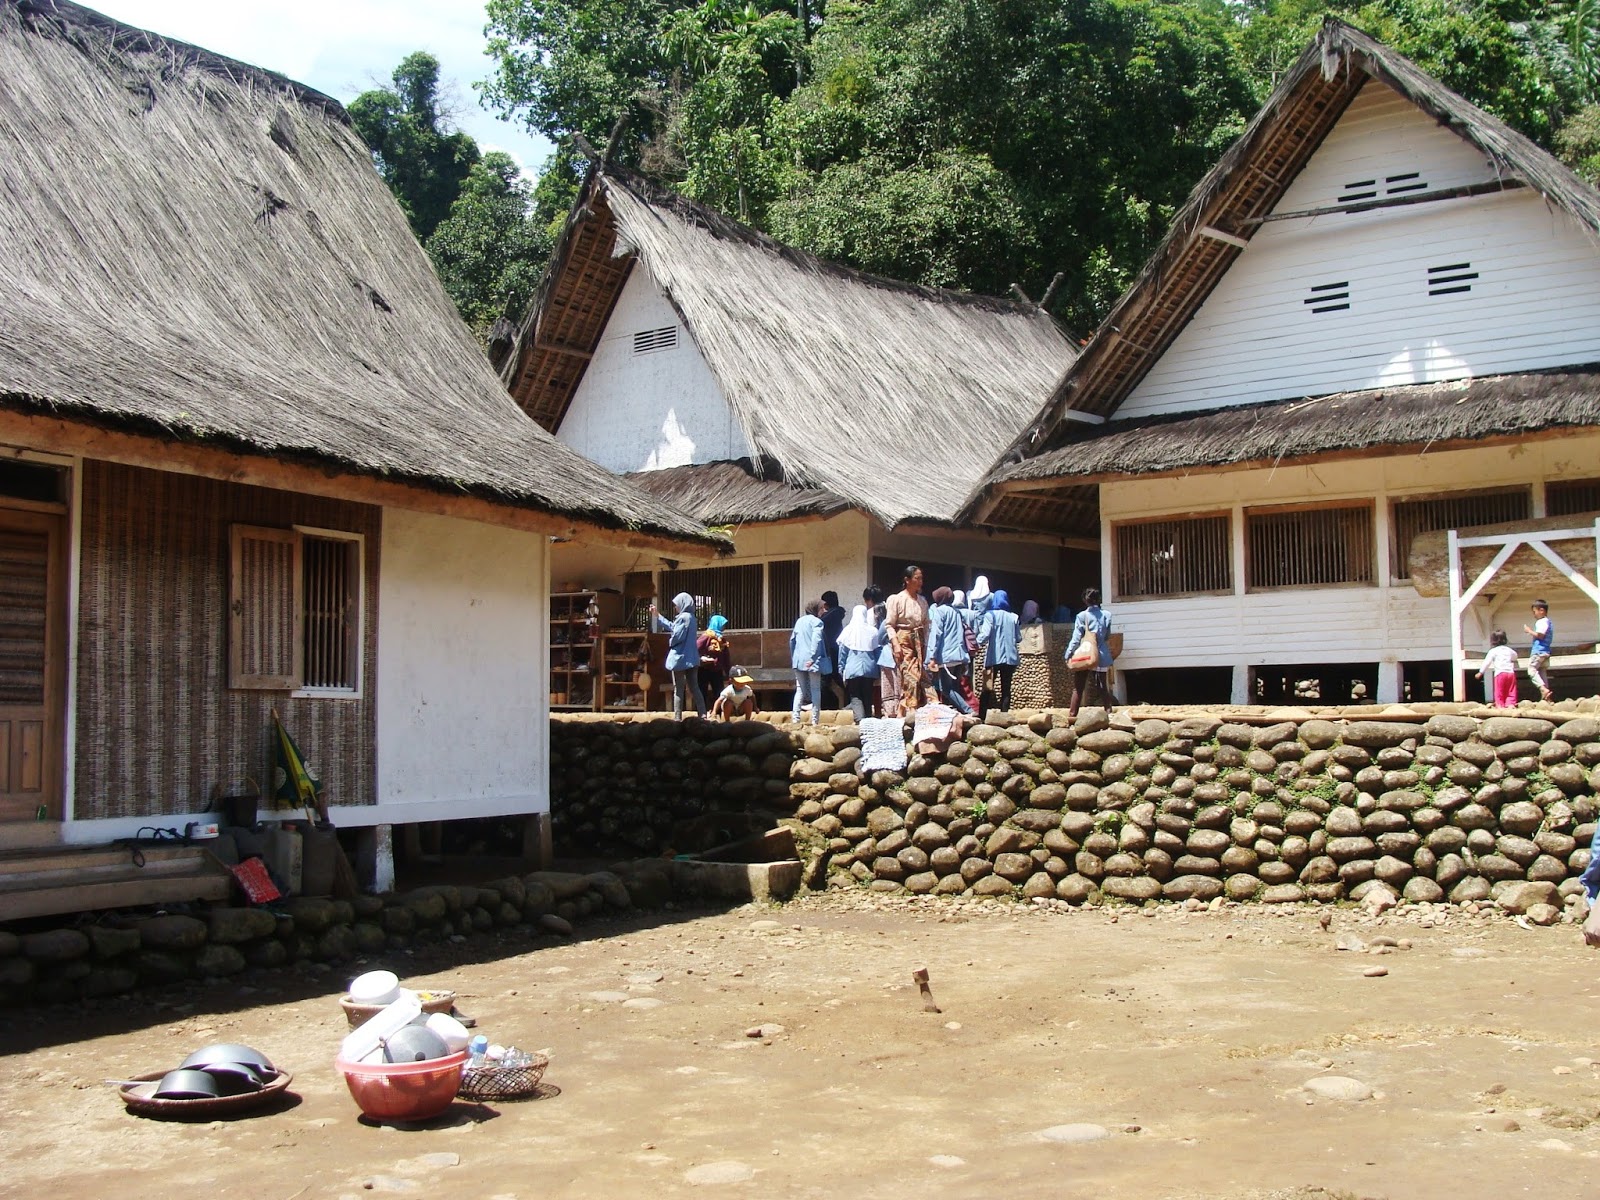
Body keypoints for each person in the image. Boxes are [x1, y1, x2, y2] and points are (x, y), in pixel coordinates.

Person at [648, 592, 706, 718]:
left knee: (678, 690)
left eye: (676, 605)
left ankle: (677, 718)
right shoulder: (691, 618)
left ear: (682, 604)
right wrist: (657, 615)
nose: (675, 607)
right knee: (695, 688)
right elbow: (673, 627)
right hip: (692, 659)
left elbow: (677, 636)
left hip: (680, 658)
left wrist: (670, 641)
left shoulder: (683, 618)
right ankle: (703, 715)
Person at [885, 564, 932, 713]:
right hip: (903, 638)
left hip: (919, 639)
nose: (920, 581)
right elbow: (889, 625)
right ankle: (911, 708)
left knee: (919, 673)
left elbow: (926, 624)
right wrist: (895, 644)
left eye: (921, 578)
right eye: (917, 578)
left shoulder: (922, 601)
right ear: (907, 580)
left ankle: (904, 710)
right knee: (910, 673)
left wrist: (925, 644)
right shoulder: (897, 599)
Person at [1063, 586, 1112, 718]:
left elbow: (1076, 638)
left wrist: (1068, 653)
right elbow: (1107, 636)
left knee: (1078, 687)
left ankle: (1072, 715)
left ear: (1085, 600)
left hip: (1085, 654)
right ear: (1099, 599)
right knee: (1102, 685)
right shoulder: (1107, 615)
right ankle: (1109, 713)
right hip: (1101, 654)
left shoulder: (1082, 616)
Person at [924, 586, 973, 715]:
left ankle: (969, 711)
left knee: (946, 689)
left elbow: (936, 634)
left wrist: (932, 656)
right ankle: (954, 715)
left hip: (947, 657)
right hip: (959, 655)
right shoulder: (956, 612)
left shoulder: (940, 612)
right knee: (954, 687)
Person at [837, 604, 883, 721]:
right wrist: (879, 669)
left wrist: (841, 668)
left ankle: (860, 720)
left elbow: (842, 652)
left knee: (855, 696)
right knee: (867, 695)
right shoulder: (873, 631)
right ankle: (868, 721)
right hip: (870, 668)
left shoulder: (848, 630)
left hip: (852, 669)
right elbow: (877, 652)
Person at [979, 589, 1022, 715]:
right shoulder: (1014, 617)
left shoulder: (990, 615)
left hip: (993, 657)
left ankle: (982, 715)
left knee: (987, 686)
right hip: (1010, 658)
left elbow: (985, 635)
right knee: (1006, 687)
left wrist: (973, 644)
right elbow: (1018, 638)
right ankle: (1004, 715)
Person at [789, 599, 831, 725]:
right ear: (815, 609)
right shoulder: (817, 622)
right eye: (822, 608)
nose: (824, 611)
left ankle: (795, 719)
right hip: (812, 660)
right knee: (815, 689)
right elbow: (816, 640)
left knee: (800, 690)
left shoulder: (799, 621)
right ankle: (815, 720)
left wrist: (794, 657)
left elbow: (792, 641)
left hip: (798, 660)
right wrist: (812, 657)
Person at [1476, 629, 1519, 709]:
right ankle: (1510, 704)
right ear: (1505, 639)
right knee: (1511, 690)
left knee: (1499, 691)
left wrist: (1481, 672)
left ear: (1493, 640)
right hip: (1510, 673)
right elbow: (1515, 656)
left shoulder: (1493, 651)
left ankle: (1500, 705)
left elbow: (1487, 662)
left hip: (1500, 673)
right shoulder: (1508, 650)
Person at [1524, 599, 1554, 703]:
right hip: (1546, 651)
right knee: (1542, 673)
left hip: (1539, 651)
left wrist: (1529, 631)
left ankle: (1543, 689)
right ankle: (1547, 699)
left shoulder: (1542, 621)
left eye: (1534, 612)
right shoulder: (1548, 622)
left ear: (1541, 610)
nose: (1534, 614)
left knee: (1531, 670)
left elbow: (1540, 635)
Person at [820, 591, 847, 706]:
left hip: (831, 651)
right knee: (833, 679)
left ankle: (841, 702)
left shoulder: (833, 613)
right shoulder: (836, 613)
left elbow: (821, 623)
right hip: (833, 650)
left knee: (830, 679)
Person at [697, 614, 732, 702]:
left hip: (717, 670)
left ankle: (718, 713)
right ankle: (702, 713)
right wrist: (702, 658)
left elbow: (726, 658)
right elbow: (694, 650)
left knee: (719, 692)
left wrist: (729, 674)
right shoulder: (705, 637)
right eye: (723, 625)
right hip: (704, 669)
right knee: (702, 692)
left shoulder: (721, 640)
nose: (724, 627)